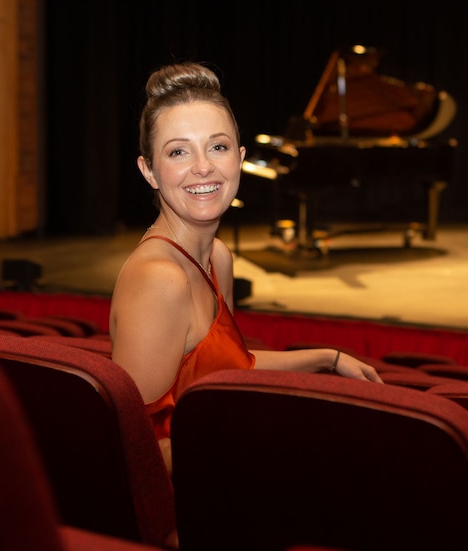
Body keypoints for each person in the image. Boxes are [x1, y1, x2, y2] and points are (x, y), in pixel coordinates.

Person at [109, 62, 382, 475]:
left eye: (217, 147)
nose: (203, 166)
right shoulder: (159, 279)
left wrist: (329, 357)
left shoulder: (218, 256)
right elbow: (131, 447)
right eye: (178, 151)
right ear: (148, 170)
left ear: (238, 159)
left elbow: (232, 366)